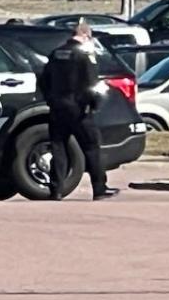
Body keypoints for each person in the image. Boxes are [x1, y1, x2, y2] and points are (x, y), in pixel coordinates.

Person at [39, 21, 119, 201]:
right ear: (85, 35)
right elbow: (92, 84)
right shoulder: (84, 55)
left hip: (58, 108)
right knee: (92, 147)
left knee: (59, 148)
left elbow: (43, 80)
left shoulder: (56, 53)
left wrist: (51, 99)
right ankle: (99, 188)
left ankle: (56, 190)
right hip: (79, 109)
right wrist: (94, 105)